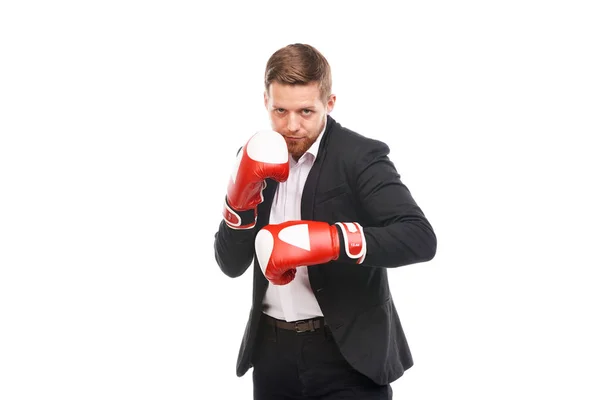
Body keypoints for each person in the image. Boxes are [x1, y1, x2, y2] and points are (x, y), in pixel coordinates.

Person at [213, 43, 437, 400]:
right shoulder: (257, 157)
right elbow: (230, 263)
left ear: (329, 104)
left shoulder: (360, 157)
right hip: (271, 357)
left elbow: (419, 237)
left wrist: (334, 240)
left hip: (346, 357)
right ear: (266, 102)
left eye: (306, 111)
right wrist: (238, 203)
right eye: (280, 111)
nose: (291, 126)